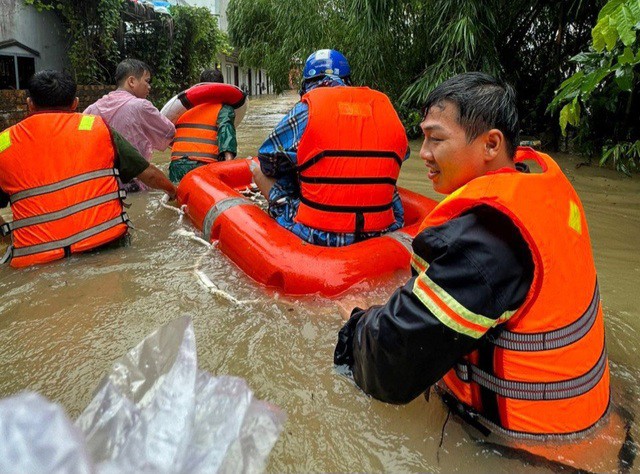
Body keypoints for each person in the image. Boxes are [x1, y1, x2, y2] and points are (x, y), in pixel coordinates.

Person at [334, 72, 610, 439]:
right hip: (589, 424)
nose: (424, 154)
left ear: (491, 145)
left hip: (525, 452)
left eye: (436, 139)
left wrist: (355, 323)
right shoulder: (542, 188)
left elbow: (390, 365)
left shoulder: (482, 244)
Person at [0, 70, 177, 268]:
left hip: (38, 260)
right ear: (75, 103)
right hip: (107, 246)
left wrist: (6, 237)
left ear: (30, 105)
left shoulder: (4, 143)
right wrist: (173, 191)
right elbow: (147, 173)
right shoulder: (97, 128)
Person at [252, 49, 409, 246]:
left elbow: (267, 160)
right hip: (384, 228)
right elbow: (402, 155)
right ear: (347, 80)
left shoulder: (307, 108)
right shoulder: (384, 107)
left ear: (306, 83)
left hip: (320, 234)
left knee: (258, 171)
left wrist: (301, 165)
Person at [84, 59, 175, 192]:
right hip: (134, 184)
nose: (149, 87)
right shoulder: (141, 106)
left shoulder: (91, 109)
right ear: (131, 81)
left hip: (101, 186)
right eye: (147, 81)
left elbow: (82, 137)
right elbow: (169, 132)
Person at [168, 68, 239, 184]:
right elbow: (226, 132)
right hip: (204, 165)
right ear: (222, 86)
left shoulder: (183, 108)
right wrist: (229, 165)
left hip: (177, 165)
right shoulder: (224, 108)